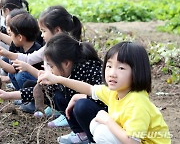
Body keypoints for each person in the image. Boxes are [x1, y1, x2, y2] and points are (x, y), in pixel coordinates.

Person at [37, 41, 171, 144]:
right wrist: (58, 79)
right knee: (96, 124)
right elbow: (89, 89)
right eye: (109, 66)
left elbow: (132, 142)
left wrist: (107, 120)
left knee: (102, 129)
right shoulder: (115, 92)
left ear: (137, 71)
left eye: (121, 68)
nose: (112, 73)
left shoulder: (137, 102)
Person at [0, 11, 42, 90]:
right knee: (14, 74)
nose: (10, 37)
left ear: (20, 37)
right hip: (30, 79)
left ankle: (29, 99)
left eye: (11, 35)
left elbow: (12, 70)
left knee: (20, 75)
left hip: (39, 84)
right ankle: (21, 93)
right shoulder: (22, 45)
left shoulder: (35, 50)